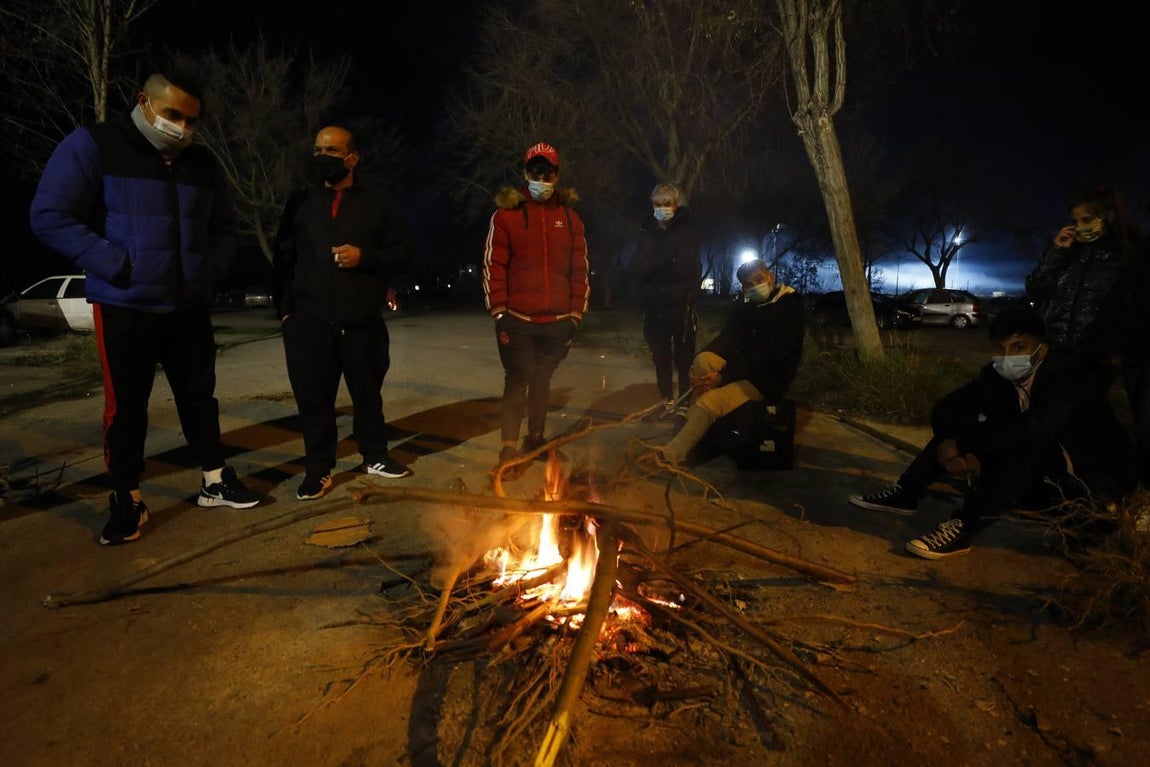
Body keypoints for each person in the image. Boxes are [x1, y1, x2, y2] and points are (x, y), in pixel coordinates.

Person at [28, 69, 262, 545]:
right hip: (124, 303)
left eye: (192, 120)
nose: (183, 128)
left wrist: (207, 273)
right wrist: (118, 264)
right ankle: (126, 497)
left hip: (187, 304)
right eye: (173, 114)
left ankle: (214, 481)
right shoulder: (94, 145)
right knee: (126, 408)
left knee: (200, 396)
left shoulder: (202, 163)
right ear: (145, 103)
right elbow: (49, 215)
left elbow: (225, 230)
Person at [849, 308, 1136, 560]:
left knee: (1020, 444)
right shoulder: (996, 376)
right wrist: (952, 445)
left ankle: (964, 525)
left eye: (1018, 346)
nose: (1008, 357)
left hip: (1086, 481)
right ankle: (906, 493)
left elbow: (1035, 431)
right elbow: (947, 408)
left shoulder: (1069, 377)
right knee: (966, 426)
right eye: (1001, 348)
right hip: (1037, 476)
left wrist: (965, 444)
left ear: (1042, 350)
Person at [273, 124, 415, 501]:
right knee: (314, 399)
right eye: (318, 150)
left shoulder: (378, 202)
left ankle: (374, 455)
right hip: (309, 323)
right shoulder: (299, 202)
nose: (322, 158)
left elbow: (403, 254)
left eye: (332, 151)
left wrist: (364, 256)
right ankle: (318, 468)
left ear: (352, 158)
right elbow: (282, 260)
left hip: (361, 322)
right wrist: (286, 313)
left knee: (368, 395)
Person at [482, 142, 589, 475]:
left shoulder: (570, 219)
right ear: (526, 173)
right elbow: (493, 265)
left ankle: (536, 439)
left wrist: (575, 316)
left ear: (557, 175)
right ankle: (509, 449)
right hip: (518, 319)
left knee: (542, 380)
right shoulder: (506, 215)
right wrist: (499, 312)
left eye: (548, 172)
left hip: (557, 321)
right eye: (535, 171)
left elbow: (580, 270)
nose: (541, 178)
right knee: (517, 381)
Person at [655, 258, 805, 466]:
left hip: (767, 380)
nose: (754, 287)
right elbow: (726, 339)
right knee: (703, 361)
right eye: (748, 284)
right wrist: (696, 367)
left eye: (758, 280)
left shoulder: (789, 307)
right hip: (741, 370)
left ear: (771, 277)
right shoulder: (747, 308)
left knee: (711, 401)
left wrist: (723, 376)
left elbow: (768, 355)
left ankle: (674, 453)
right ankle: (698, 424)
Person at [631, 182, 700, 421]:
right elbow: (638, 266)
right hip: (654, 306)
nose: (662, 208)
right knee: (660, 357)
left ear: (676, 204)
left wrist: (655, 268)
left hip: (681, 304)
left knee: (683, 359)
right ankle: (666, 401)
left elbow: (686, 267)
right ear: (652, 205)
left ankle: (683, 404)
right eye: (658, 204)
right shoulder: (646, 230)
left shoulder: (687, 230)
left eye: (666, 204)